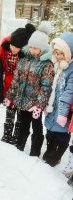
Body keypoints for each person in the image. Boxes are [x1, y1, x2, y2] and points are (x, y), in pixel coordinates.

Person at [5, 22, 54, 157]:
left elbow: (46, 86)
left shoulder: (46, 64)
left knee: (37, 128)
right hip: (22, 101)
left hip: (34, 105)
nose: (32, 50)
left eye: (36, 48)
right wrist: (10, 96)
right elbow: (16, 80)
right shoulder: (23, 61)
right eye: (31, 47)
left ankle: (35, 152)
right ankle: (19, 148)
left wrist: (39, 105)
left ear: (42, 48)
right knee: (23, 127)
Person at [0, 24, 36, 145]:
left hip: (22, 91)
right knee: (9, 115)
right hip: (9, 89)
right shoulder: (6, 53)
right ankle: (7, 135)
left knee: (20, 117)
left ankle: (16, 136)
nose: (13, 49)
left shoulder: (26, 58)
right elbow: (2, 67)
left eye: (17, 47)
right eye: (12, 45)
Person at [43, 32, 73, 167]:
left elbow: (69, 92)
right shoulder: (56, 66)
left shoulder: (71, 69)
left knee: (62, 134)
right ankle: (50, 149)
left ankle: (57, 155)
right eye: (56, 53)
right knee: (50, 132)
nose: (58, 56)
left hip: (63, 109)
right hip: (52, 106)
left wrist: (63, 113)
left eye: (61, 54)